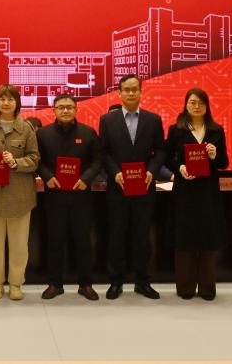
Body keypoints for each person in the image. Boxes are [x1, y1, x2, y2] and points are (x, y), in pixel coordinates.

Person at [97, 74, 165, 300]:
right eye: (126, 89)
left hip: (144, 187)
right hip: (118, 188)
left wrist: (151, 171)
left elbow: (160, 150)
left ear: (141, 92)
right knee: (117, 235)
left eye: (135, 89)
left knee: (142, 236)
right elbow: (103, 152)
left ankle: (142, 281)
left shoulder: (153, 119)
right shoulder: (108, 120)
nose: (131, 93)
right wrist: (115, 172)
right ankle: (115, 281)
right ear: (119, 93)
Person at [37, 94, 103, 301]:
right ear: (54, 110)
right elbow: (37, 161)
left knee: (83, 241)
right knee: (55, 241)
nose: (65, 110)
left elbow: (97, 160)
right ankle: (55, 284)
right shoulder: (43, 134)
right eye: (61, 107)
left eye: (69, 107)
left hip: (81, 195)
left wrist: (86, 179)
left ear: (76, 110)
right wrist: (47, 177)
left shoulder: (88, 132)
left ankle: (86, 284)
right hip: (54, 195)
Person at [165, 88, 228, 300]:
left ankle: (208, 288)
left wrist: (215, 155)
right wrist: (180, 168)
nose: (196, 106)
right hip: (184, 191)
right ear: (186, 105)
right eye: (192, 102)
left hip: (208, 192)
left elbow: (224, 163)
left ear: (207, 106)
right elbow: (167, 158)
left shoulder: (216, 131)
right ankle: (185, 288)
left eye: (201, 102)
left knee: (208, 238)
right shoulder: (176, 130)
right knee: (185, 239)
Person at [0, 84, 40, 301]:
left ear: (17, 103)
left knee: (19, 244)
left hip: (20, 196)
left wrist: (16, 162)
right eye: (2, 99)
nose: (6, 103)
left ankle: (16, 283)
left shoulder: (27, 128)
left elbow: (35, 159)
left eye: (10, 99)